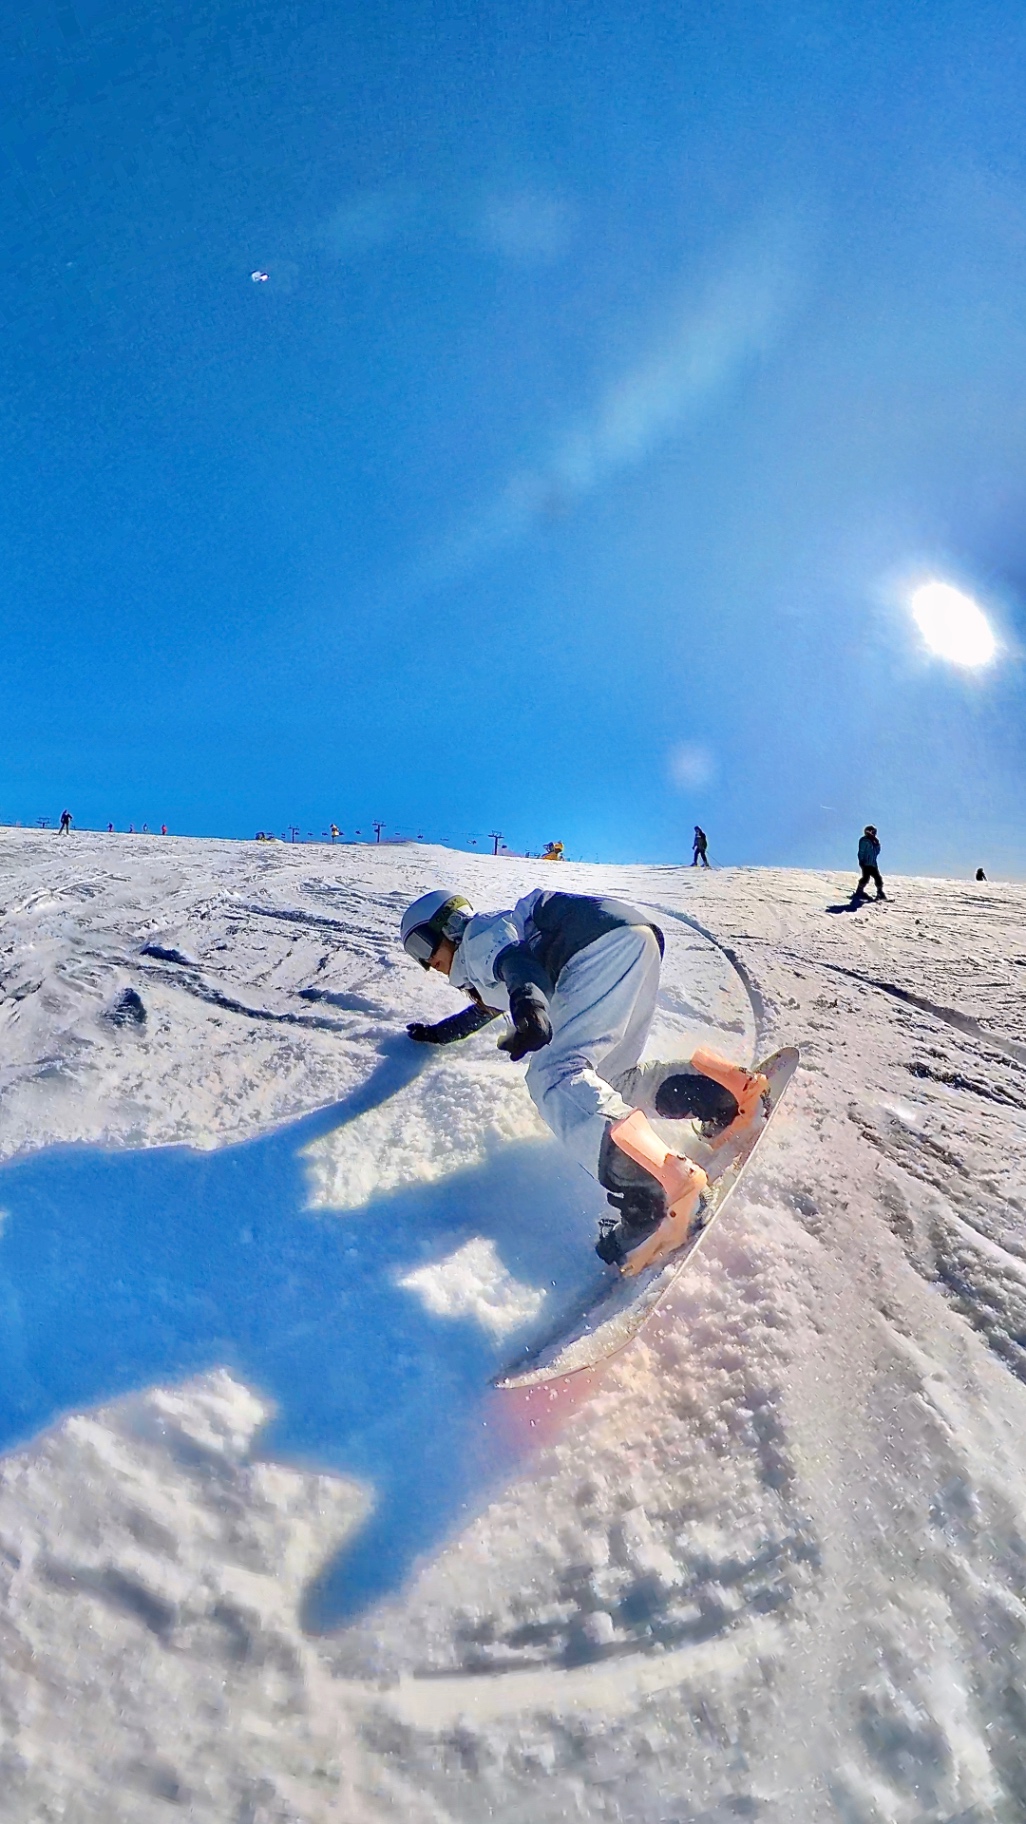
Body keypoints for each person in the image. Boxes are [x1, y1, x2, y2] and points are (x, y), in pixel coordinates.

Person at [401, 888, 768, 1274]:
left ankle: (656, 1195)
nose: (426, 962)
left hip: (595, 950)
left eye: (421, 945)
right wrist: (438, 1034)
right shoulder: (486, 954)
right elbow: (490, 1002)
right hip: (630, 940)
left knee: (553, 1075)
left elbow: (516, 964)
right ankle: (724, 1096)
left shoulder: (478, 936)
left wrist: (530, 1005)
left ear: (448, 924)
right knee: (609, 1082)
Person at [853, 826, 885, 900]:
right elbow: (861, 851)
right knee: (866, 877)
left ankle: (880, 892)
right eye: (873, 832)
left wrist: (877, 844)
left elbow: (877, 852)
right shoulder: (864, 840)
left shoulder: (874, 841)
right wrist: (861, 861)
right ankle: (859, 891)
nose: (874, 834)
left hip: (873, 864)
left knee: (878, 878)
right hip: (866, 863)